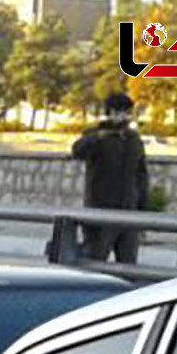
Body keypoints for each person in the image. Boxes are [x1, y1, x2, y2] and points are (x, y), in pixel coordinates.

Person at [71, 92, 149, 264]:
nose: (124, 117)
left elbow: (141, 175)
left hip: (129, 211)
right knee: (95, 260)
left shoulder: (133, 140)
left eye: (127, 112)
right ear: (110, 112)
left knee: (128, 263)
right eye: (119, 112)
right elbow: (77, 151)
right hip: (101, 209)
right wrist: (99, 136)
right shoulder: (96, 135)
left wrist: (142, 208)